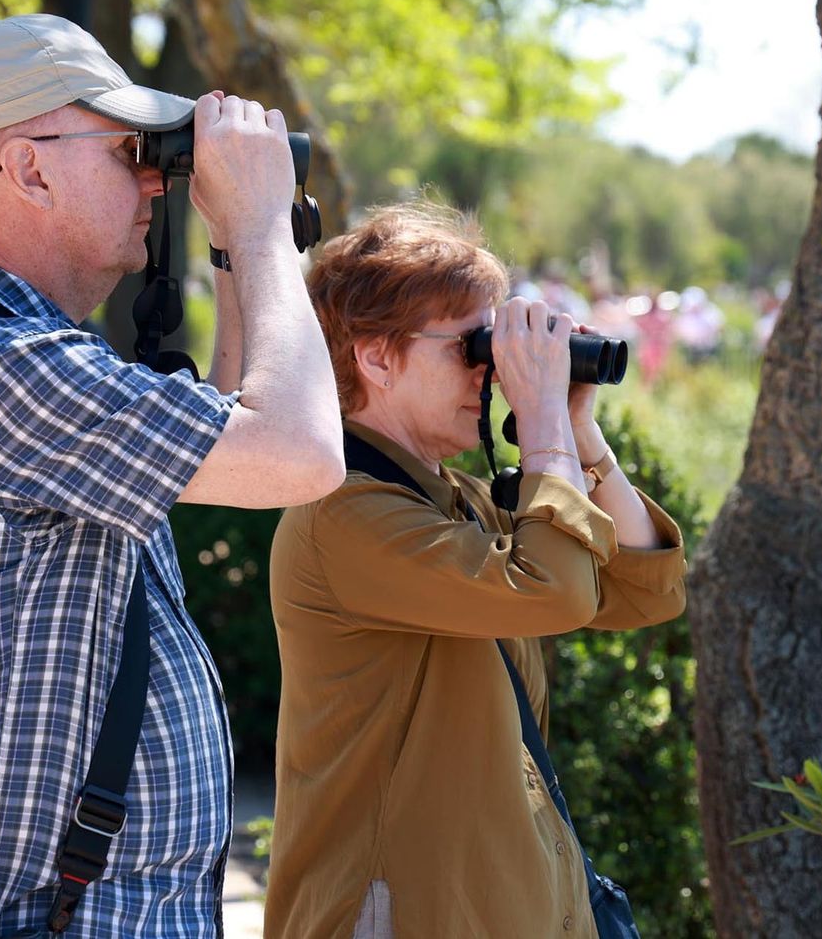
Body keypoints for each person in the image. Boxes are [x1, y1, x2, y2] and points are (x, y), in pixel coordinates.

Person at [0, 14, 344, 937]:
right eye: (128, 147)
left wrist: (231, 250)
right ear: (28, 168)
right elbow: (300, 453)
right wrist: (261, 229)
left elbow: (232, 436)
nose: (153, 176)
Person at [264, 202, 688, 937]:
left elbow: (637, 587)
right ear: (375, 355)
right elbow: (552, 588)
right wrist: (544, 422)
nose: (491, 371)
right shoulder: (343, 515)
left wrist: (578, 429)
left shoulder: (452, 499)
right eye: (470, 347)